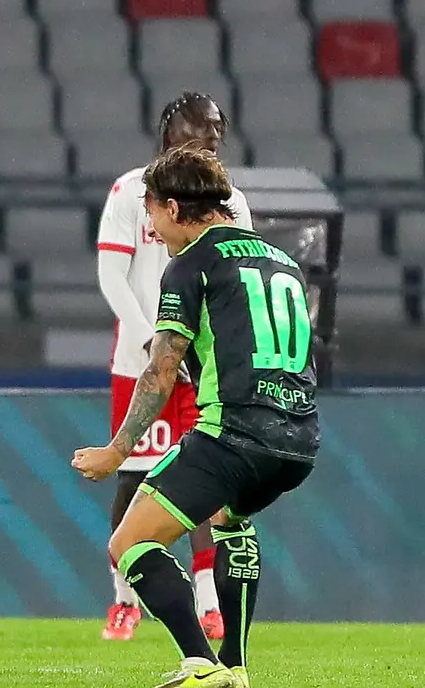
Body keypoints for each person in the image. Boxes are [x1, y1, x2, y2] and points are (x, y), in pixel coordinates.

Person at [73, 145, 319, 688]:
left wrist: (117, 450)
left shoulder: (191, 265)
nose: (154, 232)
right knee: (232, 522)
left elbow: (162, 371)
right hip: (300, 438)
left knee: (129, 545)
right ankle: (236, 666)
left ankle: (199, 663)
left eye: (155, 214)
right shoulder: (284, 263)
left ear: (177, 207)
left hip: (234, 432)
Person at [94, 93, 252, 641]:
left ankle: (208, 601)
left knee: (206, 481)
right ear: (169, 129)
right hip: (144, 360)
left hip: (202, 368)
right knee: (136, 473)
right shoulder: (129, 192)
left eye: (216, 130)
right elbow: (113, 275)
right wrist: (148, 340)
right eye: (198, 127)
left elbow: (237, 284)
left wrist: (204, 352)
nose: (209, 137)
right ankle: (123, 599)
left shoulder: (233, 200)